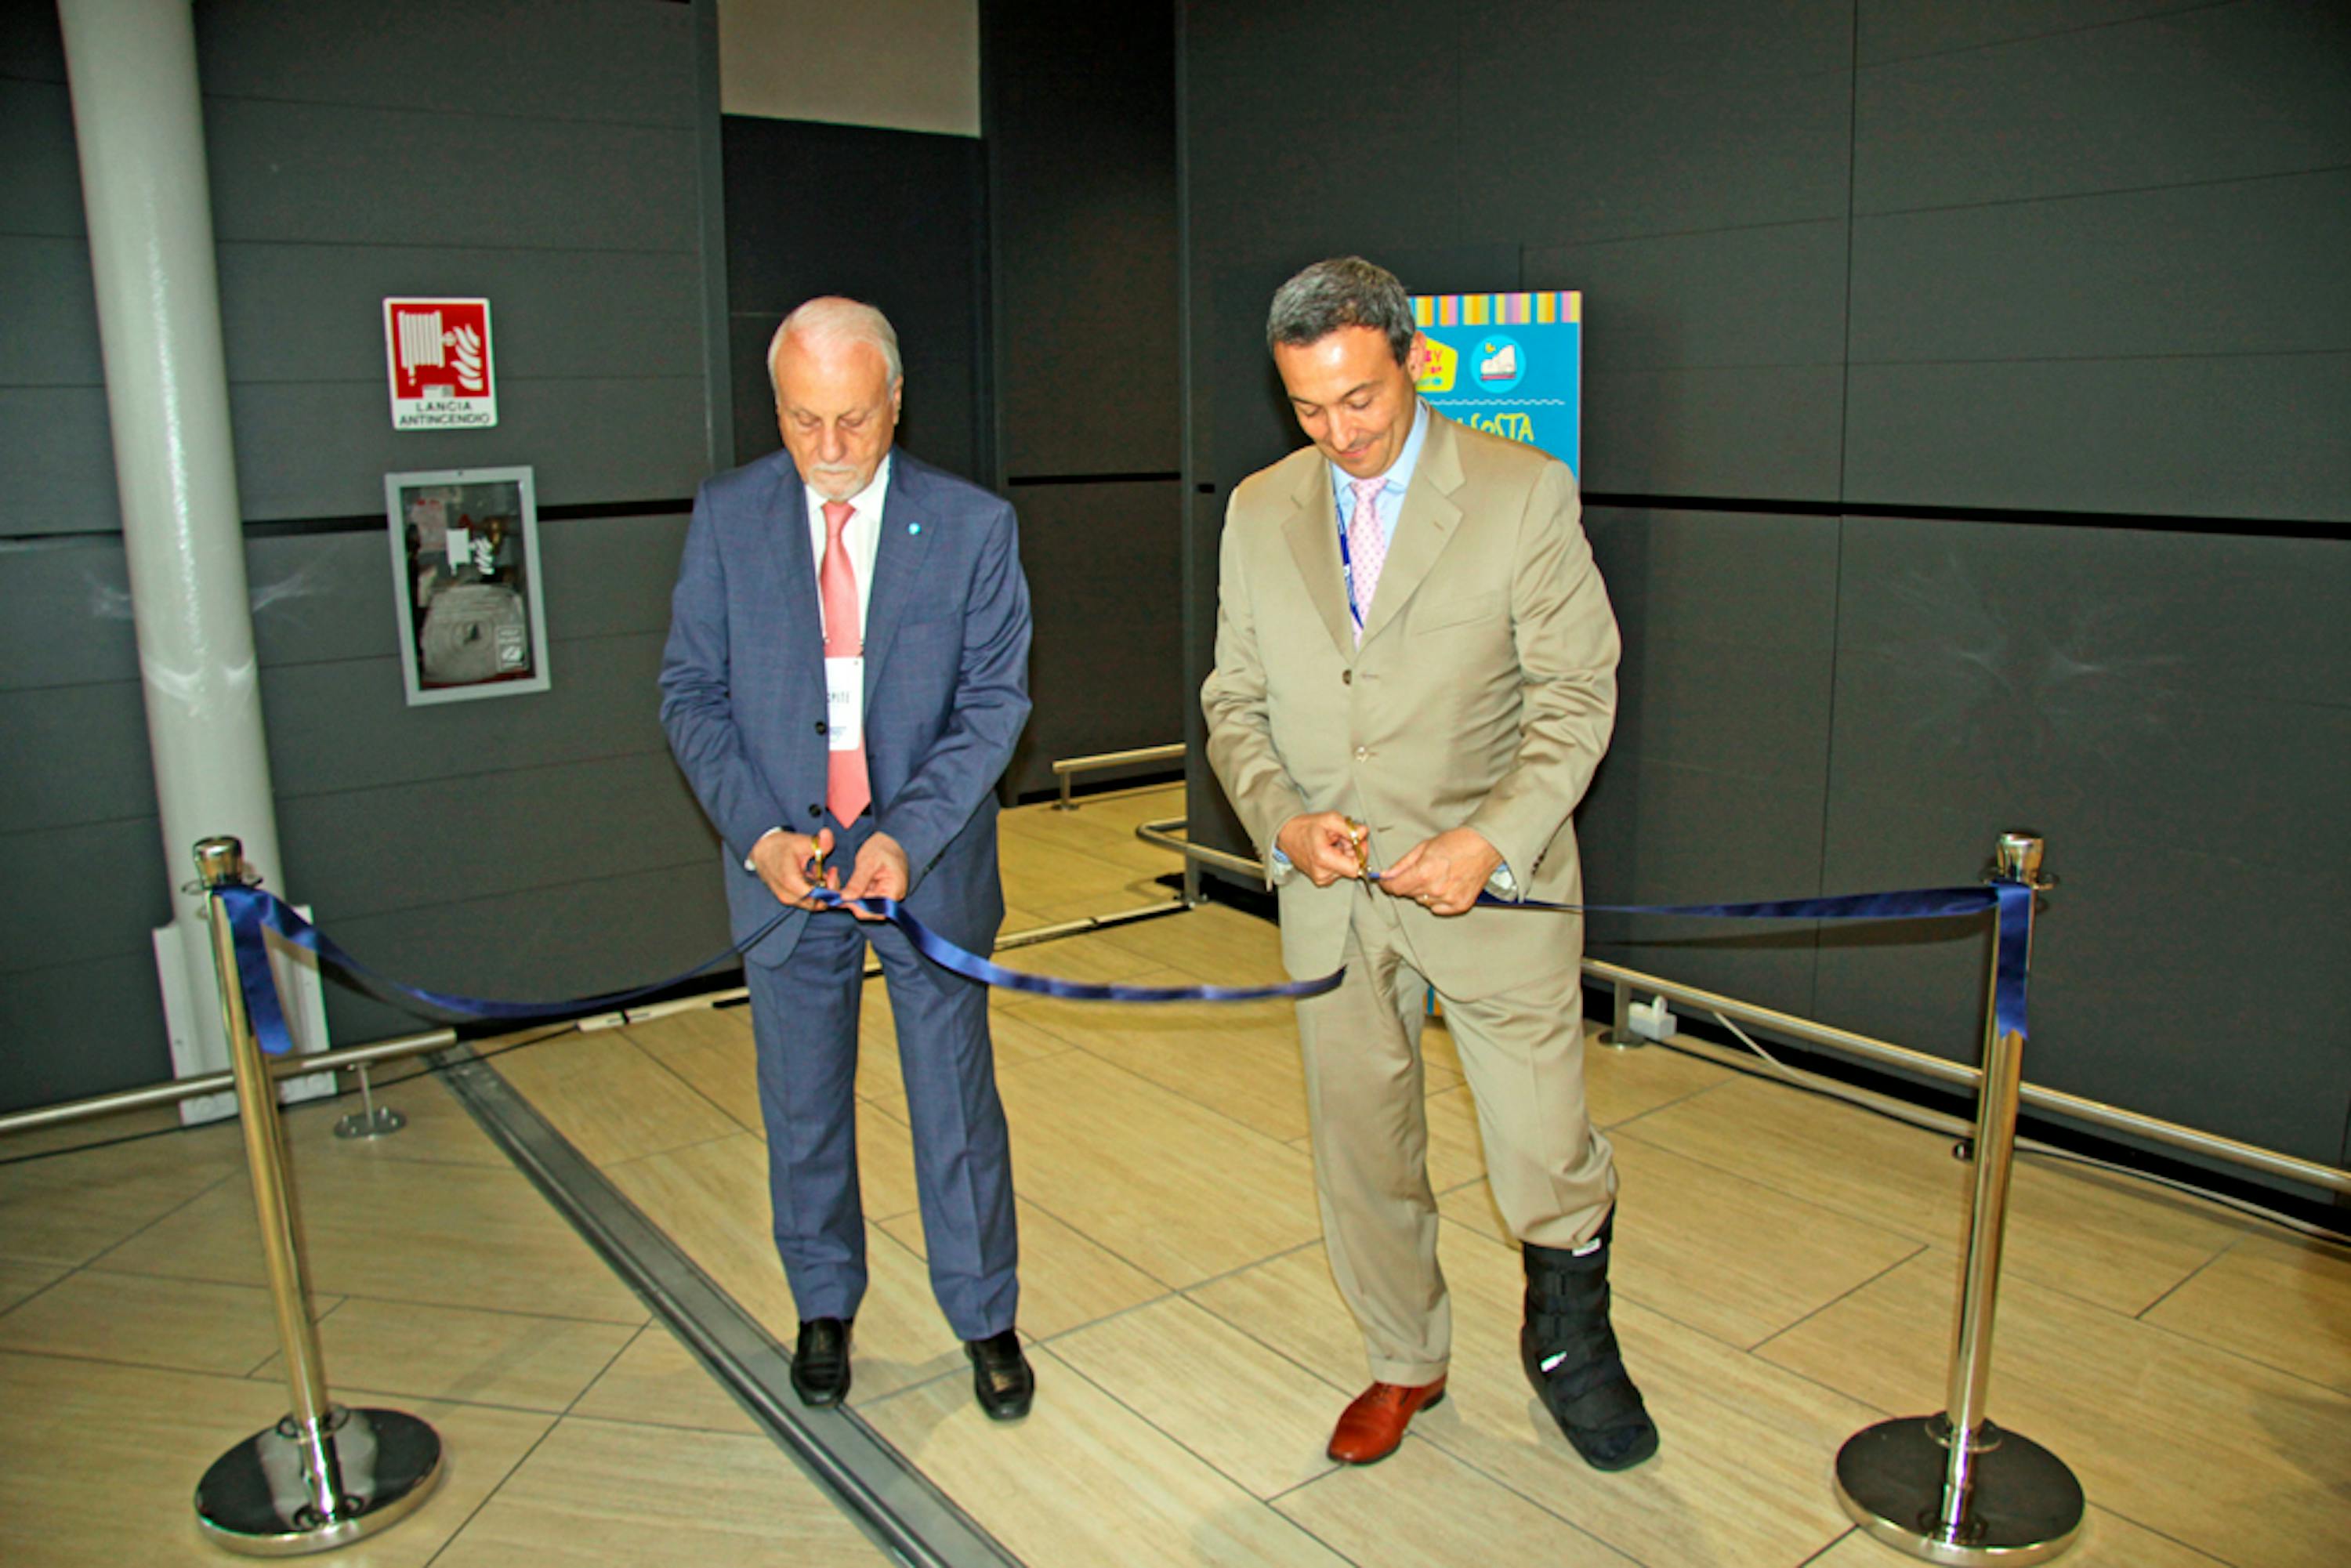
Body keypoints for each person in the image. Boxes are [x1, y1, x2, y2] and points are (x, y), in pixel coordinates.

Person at [1202, 257, 1655, 1470]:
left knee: (1542, 1143)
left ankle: (1572, 1346)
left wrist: (1489, 838)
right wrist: (1283, 822)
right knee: (1363, 1145)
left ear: (1413, 360)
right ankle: (1406, 1356)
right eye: (1307, 406)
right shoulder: (1259, 510)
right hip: (1331, 901)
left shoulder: (1519, 492)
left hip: (1493, 891)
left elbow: (1575, 697)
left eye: (1361, 397)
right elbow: (1232, 702)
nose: (1339, 432)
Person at [661, 297, 1036, 1420]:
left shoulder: (971, 526)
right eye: (803, 420)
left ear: (897, 401)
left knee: (954, 1103)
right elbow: (690, 692)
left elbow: (992, 704)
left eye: (855, 422)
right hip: (784, 868)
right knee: (803, 1098)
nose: (829, 451)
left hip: (927, 864)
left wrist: (908, 839)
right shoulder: (728, 516)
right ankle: (823, 1301)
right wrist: (761, 835)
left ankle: (986, 1316)